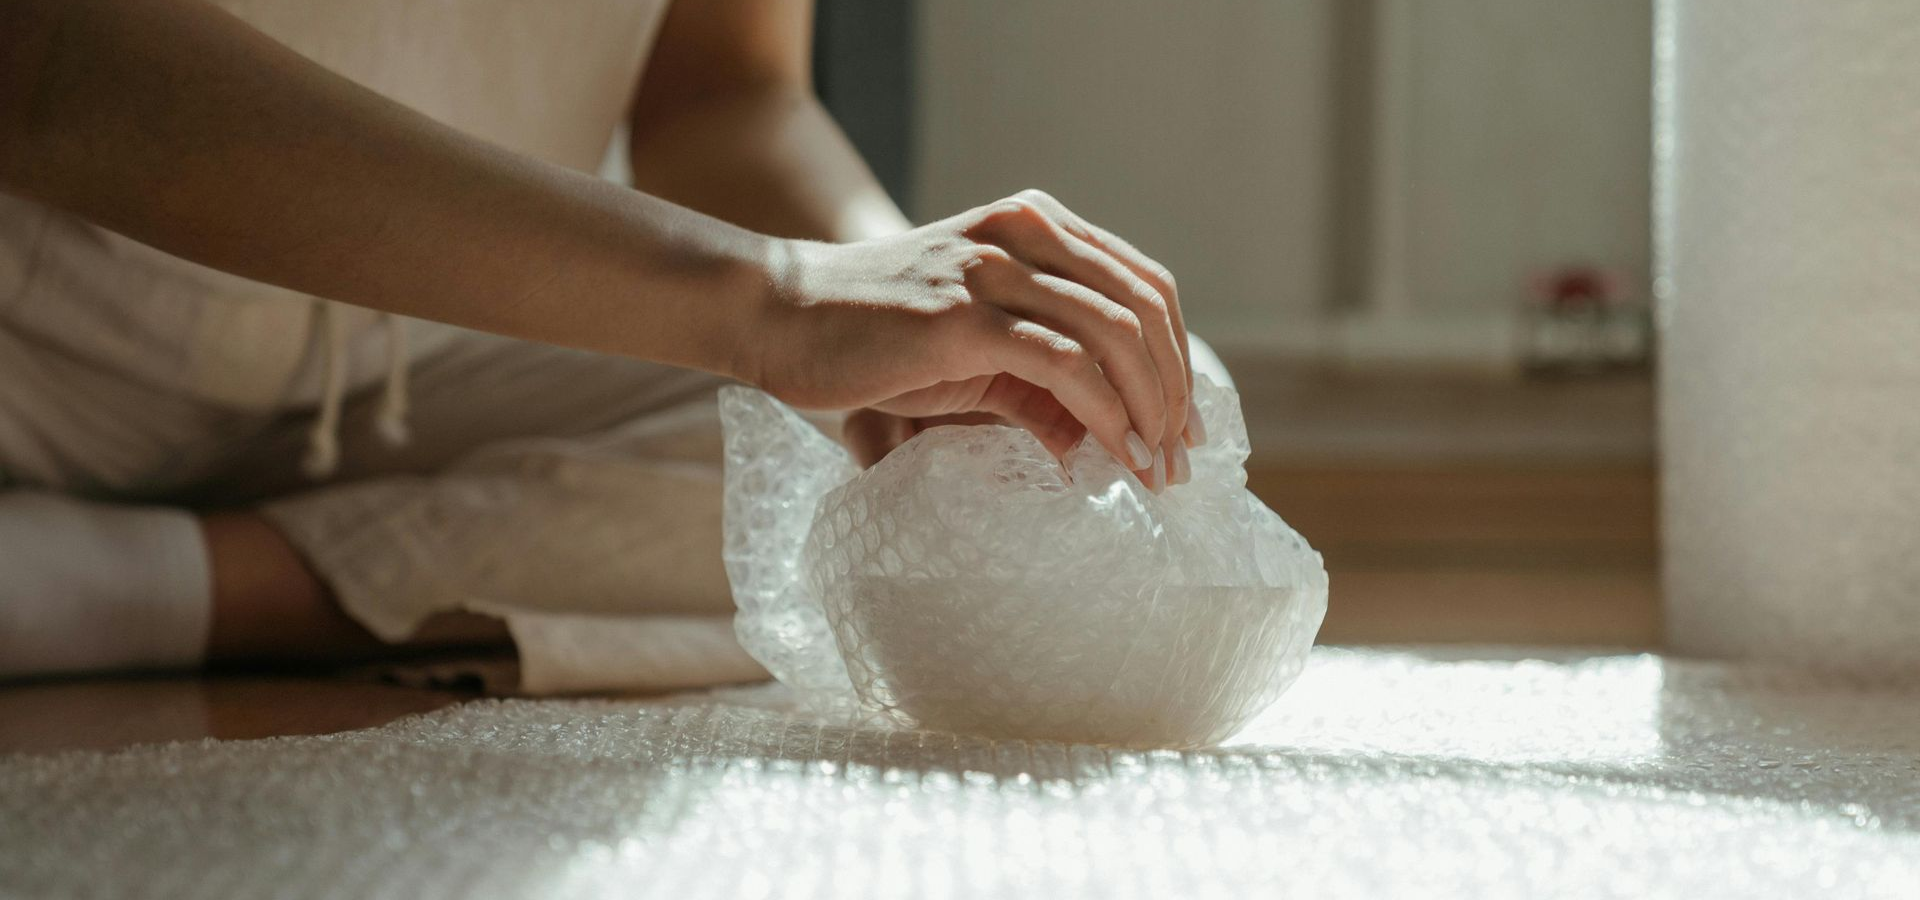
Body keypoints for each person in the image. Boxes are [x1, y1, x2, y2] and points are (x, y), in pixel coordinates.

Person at [0, 0, 1213, 690]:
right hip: (34, 340)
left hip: (426, 342)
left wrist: (905, 314)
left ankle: (135, 586)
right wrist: (778, 297)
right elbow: (48, 62)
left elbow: (721, 95)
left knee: (1107, 396)